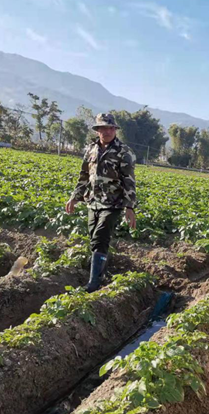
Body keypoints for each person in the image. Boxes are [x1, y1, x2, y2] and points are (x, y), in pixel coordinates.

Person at [65, 113, 137, 292]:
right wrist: (75, 197)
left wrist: (129, 206)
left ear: (115, 130)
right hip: (93, 201)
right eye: (104, 128)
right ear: (98, 131)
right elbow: (84, 176)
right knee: (94, 239)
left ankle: (94, 284)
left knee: (100, 237)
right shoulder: (91, 149)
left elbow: (129, 180)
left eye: (111, 128)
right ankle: (101, 271)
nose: (108, 131)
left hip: (113, 203)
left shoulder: (123, 152)